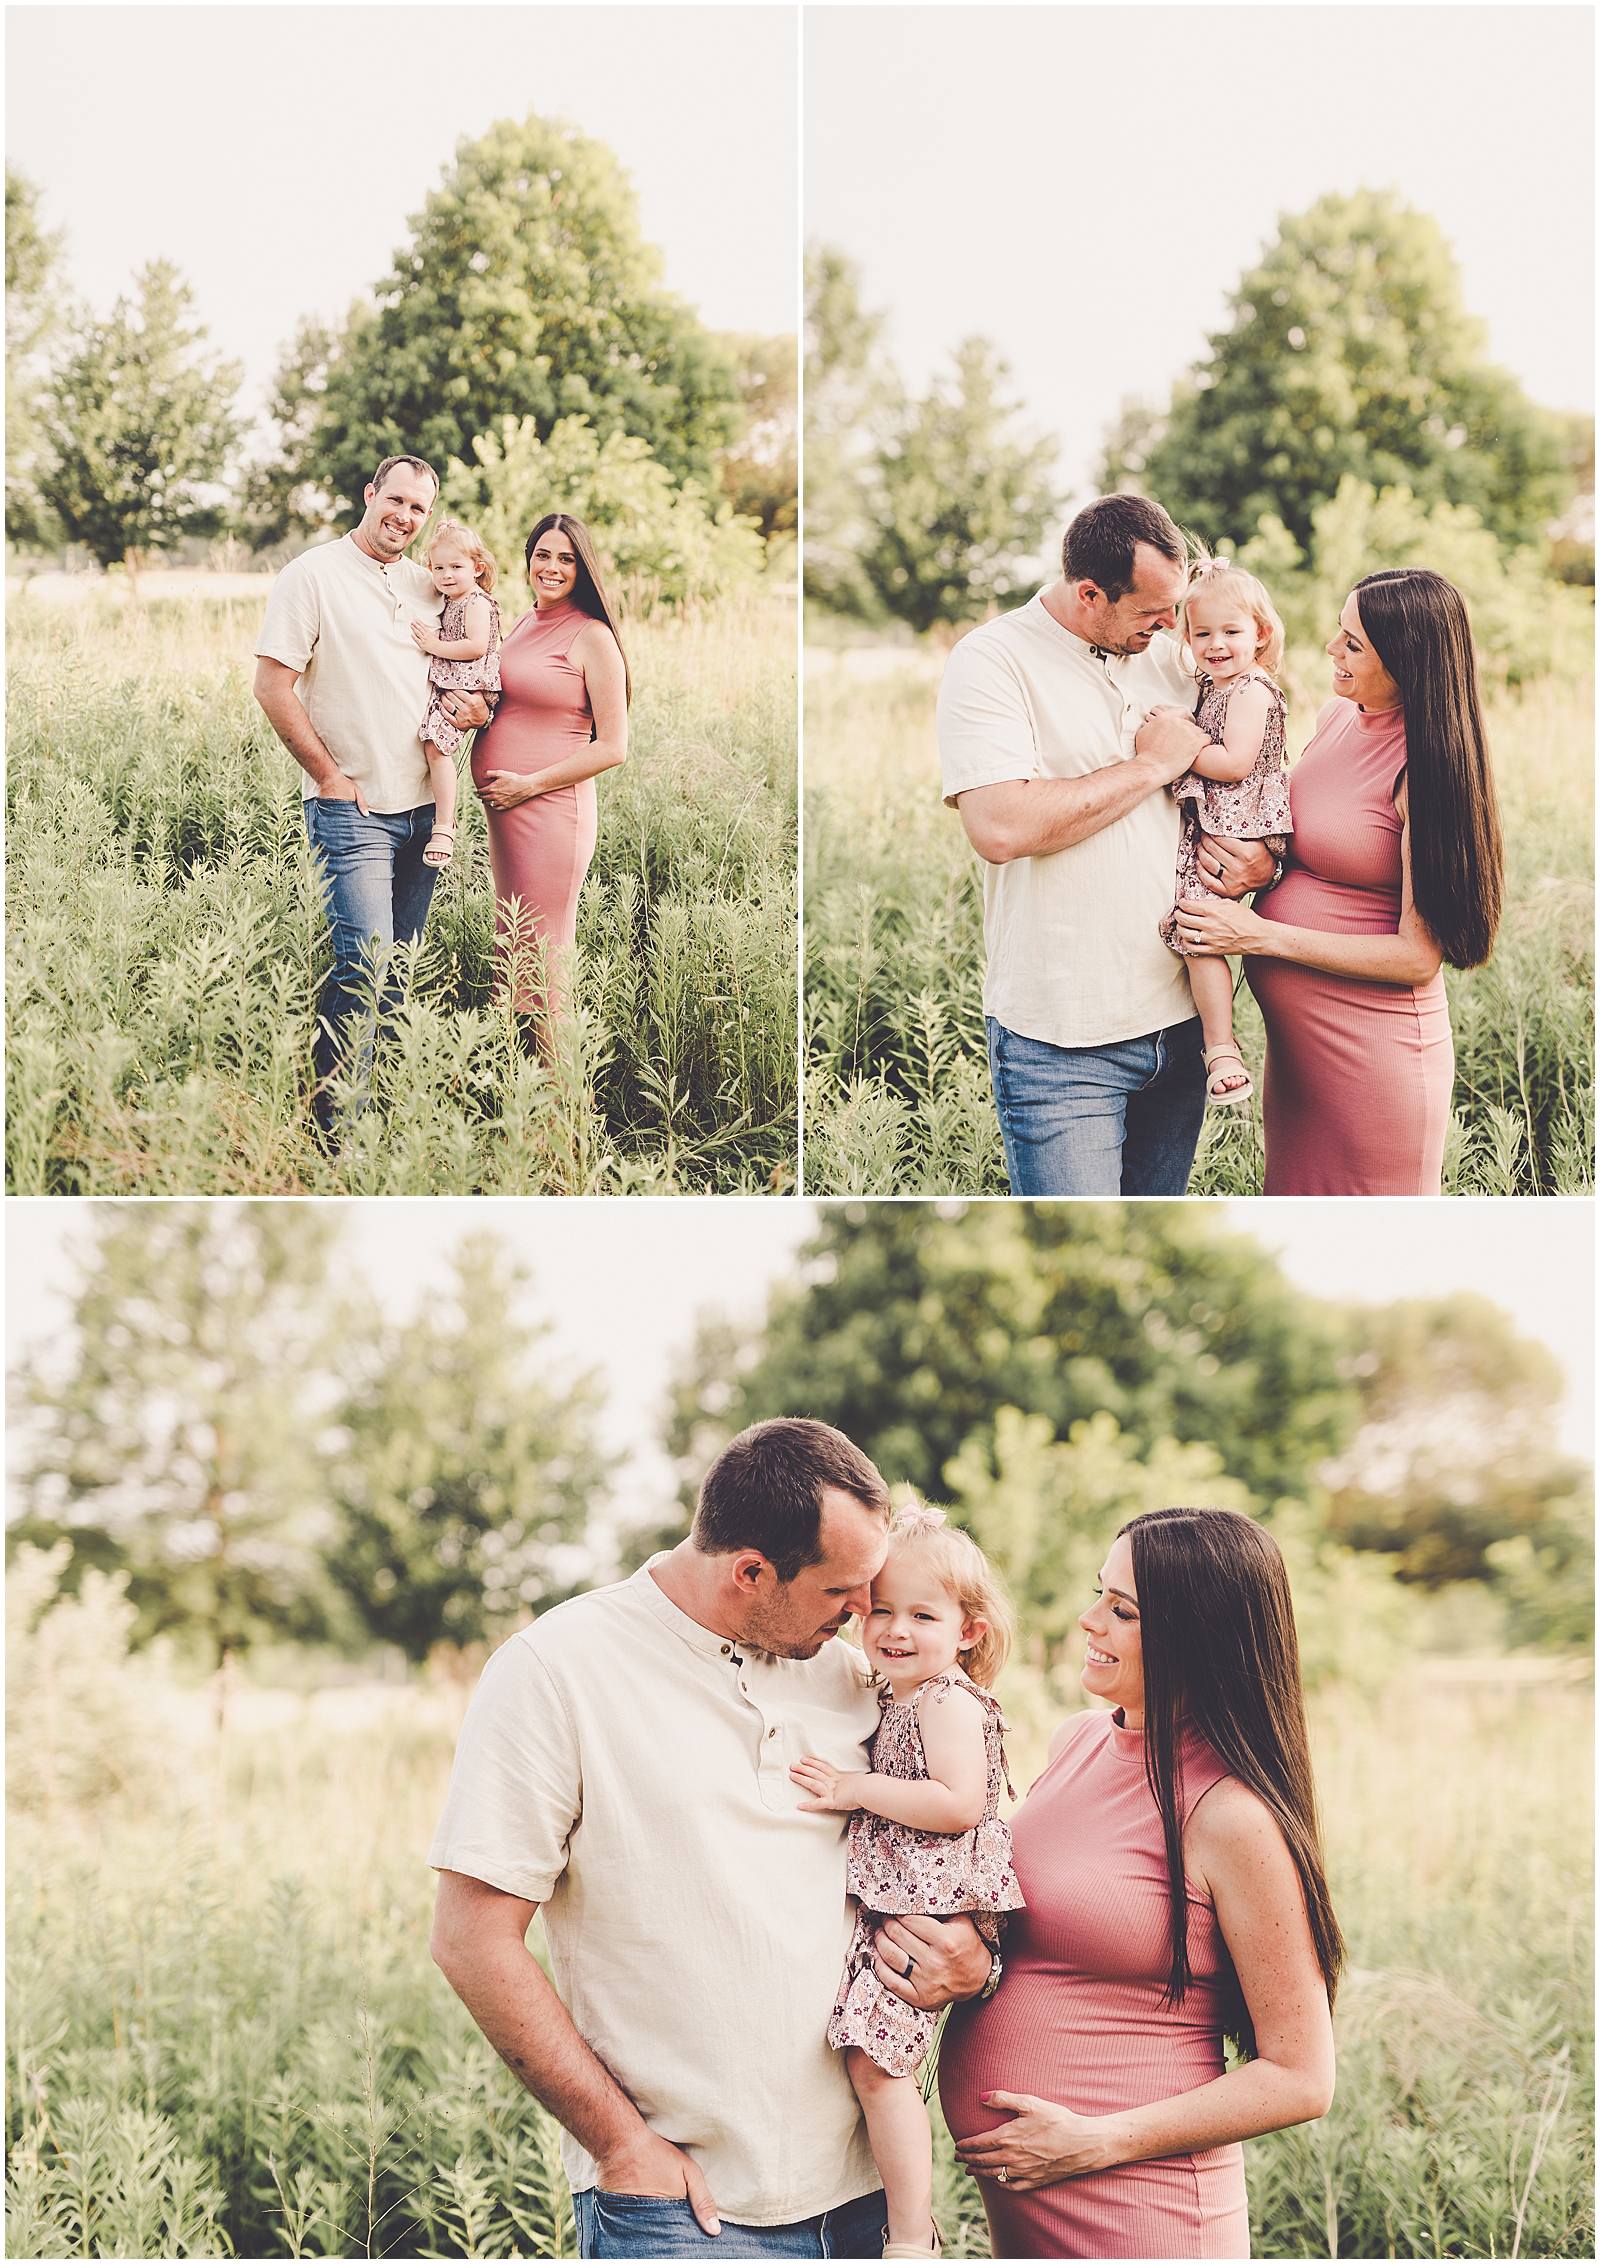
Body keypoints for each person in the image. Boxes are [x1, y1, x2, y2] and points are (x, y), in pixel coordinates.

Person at [428, 1419, 997, 2261]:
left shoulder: (852, 1674)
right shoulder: (556, 1671)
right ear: (751, 1573)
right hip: (686, 2213)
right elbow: (470, 1939)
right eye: (844, 1592)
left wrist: (972, 1958)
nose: (861, 1616)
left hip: (868, 2201)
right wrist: (622, 2147)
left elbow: (944, 1844)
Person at [939, 1506, 1342, 2261]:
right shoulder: (1077, 1741)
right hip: (1031, 2213)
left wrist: (1098, 2141)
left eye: (1122, 1610)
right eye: (1100, 1594)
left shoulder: (1232, 1815)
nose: (1089, 1621)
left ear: (1198, 1636)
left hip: (1142, 2210)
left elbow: (1301, 2076)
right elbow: (1042, 1925)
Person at [937, 495, 1277, 1197]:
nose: (1170, 627)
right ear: (1090, 593)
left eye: (1175, 608)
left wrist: (1264, 860)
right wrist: (1151, 765)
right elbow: (1000, 828)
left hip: (1185, 1026)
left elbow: (1250, 778)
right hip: (1063, 1040)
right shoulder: (994, 660)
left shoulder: (1176, 660)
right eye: (1153, 612)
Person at [1173, 568, 1504, 1195]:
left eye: (1352, 644)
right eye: (1338, 633)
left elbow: (1416, 957)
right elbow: (1315, 841)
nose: (1331, 650)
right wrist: (1266, 868)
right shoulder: (1335, 717)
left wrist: (1260, 935)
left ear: (1404, 660)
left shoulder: (1426, 770)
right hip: (1300, 1067)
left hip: (1375, 1062)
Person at [789, 1506, 1023, 2261]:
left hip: (935, 1914)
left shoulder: (948, 1702)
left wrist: (856, 1788)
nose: (895, 1628)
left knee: (879, 2068)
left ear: (969, 1631)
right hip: (908, 1908)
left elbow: (956, 1805)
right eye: (880, 1609)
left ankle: (910, 2236)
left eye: (923, 1614)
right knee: (871, 2063)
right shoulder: (902, 1695)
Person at [253, 454, 446, 1139]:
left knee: (400, 969)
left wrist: (477, 706)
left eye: (418, 508)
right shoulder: (312, 575)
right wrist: (330, 776)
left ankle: (382, 1120)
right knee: (363, 960)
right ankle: (336, 1130)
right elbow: (273, 686)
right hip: (352, 809)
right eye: (395, 499)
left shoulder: (433, 584)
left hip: (427, 814)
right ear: (369, 494)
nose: (404, 516)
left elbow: (467, 668)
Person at [450, 512, 630, 1034]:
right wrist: (482, 714)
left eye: (566, 559)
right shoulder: (526, 620)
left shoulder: (592, 636)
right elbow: (515, 700)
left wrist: (529, 784)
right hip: (508, 814)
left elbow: (613, 747)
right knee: (515, 957)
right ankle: (527, 1099)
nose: (551, 568)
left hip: (550, 814)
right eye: (543, 555)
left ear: (583, 568)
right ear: (528, 558)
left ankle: (566, 1109)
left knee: (544, 965)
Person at [1150, 557, 1293, 1108]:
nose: (1215, 644)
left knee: (1200, 928)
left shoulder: (1252, 689)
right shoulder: (1217, 685)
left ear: (1260, 634)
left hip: (1236, 822)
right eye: (1201, 632)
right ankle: (1222, 1044)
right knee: (1199, 933)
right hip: (1220, 819)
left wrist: (1174, 741)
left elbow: (1234, 763)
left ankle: (1221, 1048)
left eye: (1231, 631)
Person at [411, 518, 503, 871]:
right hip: (456, 681)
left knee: (436, 749)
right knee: (432, 746)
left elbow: (477, 645)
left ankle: (445, 825)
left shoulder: (476, 602)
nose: (446, 575)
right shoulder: (452, 599)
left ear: (477, 569)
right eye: (438, 568)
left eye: (456, 567)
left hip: (469, 685)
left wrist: (435, 645)